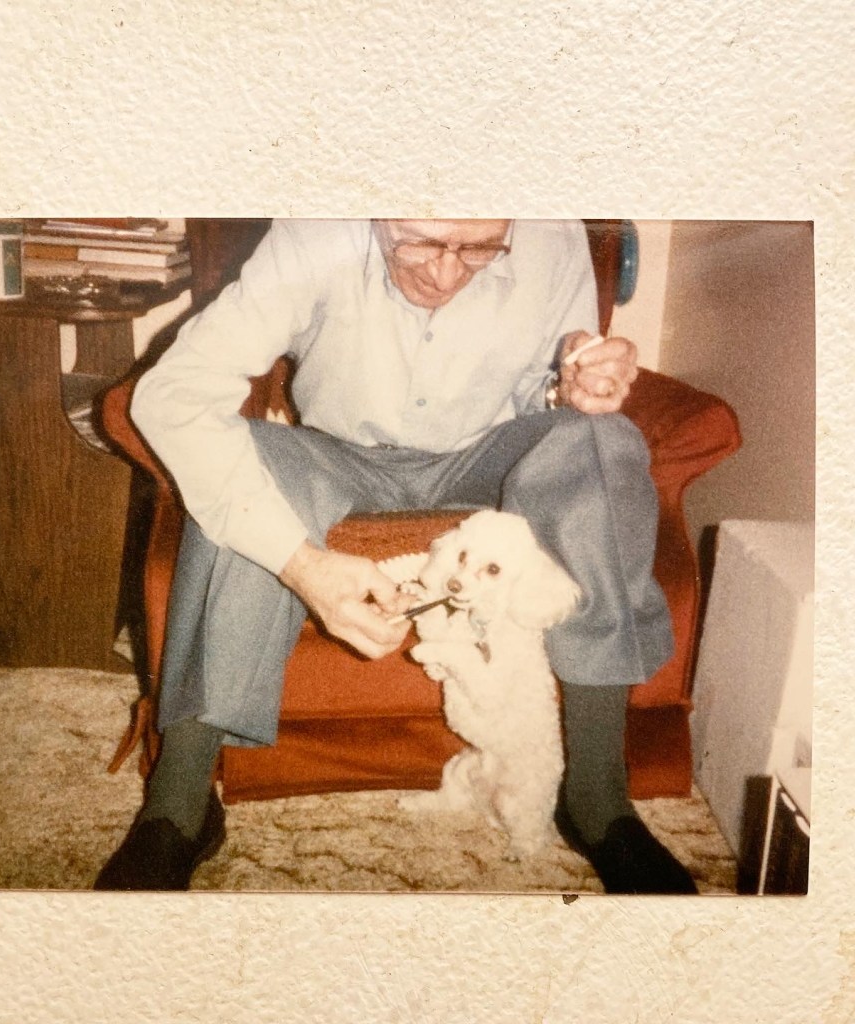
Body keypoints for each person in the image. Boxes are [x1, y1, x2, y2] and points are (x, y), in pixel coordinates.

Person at [95, 218, 698, 894]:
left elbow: (548, 396)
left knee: (601, 441)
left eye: (479, 249)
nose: (446, 274)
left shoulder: (551, 235)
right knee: (240, 465)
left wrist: (574, 392)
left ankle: (597, 799)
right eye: (419, 243)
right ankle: (179, 804)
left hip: (485, 459)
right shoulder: (315, 231)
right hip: (338, 454)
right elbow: (171, 394)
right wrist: (300, 564)